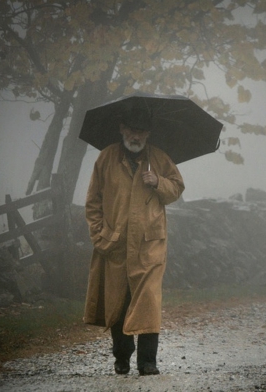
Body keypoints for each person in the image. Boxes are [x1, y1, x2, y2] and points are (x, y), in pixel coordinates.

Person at [83, 106, 185, 376]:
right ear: (121, 129)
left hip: (149, 245)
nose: (135, 136)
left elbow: (177, 187)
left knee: (148, 301)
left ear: (148, 133)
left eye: (141, 131)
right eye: (131, 129)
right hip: (114, 245)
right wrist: (99, 235)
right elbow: (92, 202)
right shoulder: (105, 159)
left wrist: (159, 182)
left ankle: (148, 362)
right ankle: (122, 358)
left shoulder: (160, 159)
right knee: (117, 302)